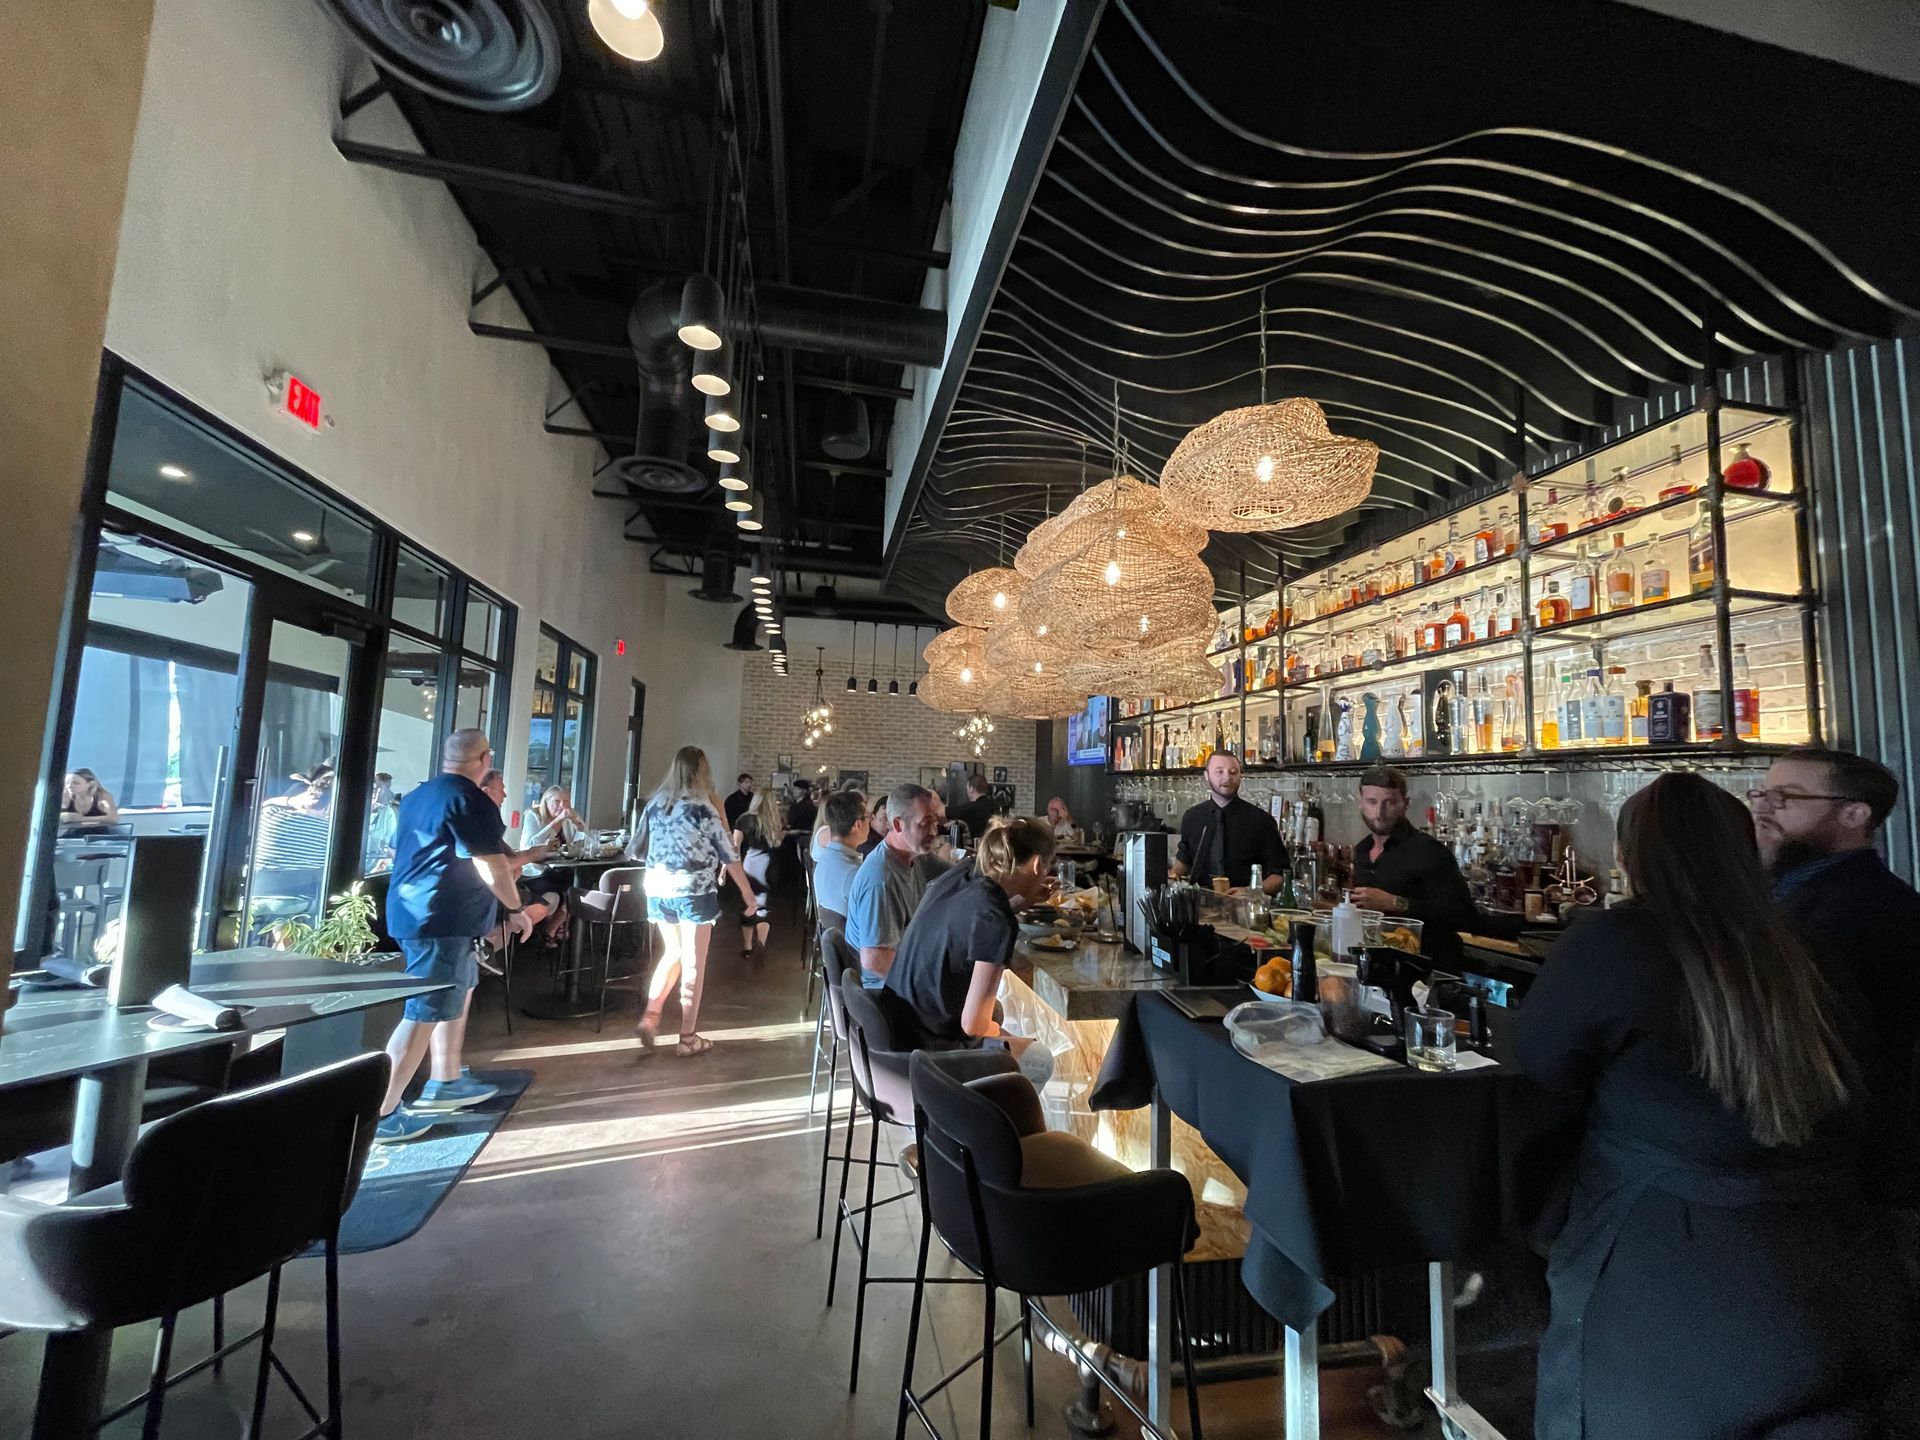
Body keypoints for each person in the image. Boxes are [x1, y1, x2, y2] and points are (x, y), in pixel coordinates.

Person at [1513, 772, 1912, 1440]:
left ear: (1631, 857)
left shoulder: (1613, 944)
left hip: (1663, 1287)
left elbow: (1544, 1065)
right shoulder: (1807, 949)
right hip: (1840, 1271)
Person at [1754, 745, 1920, 1204]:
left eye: (1785, 797)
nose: (1764, 808)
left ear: (1854, 814)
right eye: (1762, 794)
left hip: (1835, 1166)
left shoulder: (1864, 908)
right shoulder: (1795, 888)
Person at [375, 729, 530, 1143]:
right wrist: (515, 910)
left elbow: (403, 850)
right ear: (483, 759)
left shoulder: (417, 797)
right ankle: (382, 1113)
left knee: (455, 995)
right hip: (441, 921)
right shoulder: (471, 800)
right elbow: (491, 865)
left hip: (416, 913)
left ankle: (445, 1079)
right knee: (423, 1013)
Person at [886, 815, 1056, 1079]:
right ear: (1036, 864)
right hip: (926, 1048)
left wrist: (1024, 901)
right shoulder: (997, 919)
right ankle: (983, 1117)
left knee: (997, 1013)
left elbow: (973, 919)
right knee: (1038, 1058)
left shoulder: (963, 873)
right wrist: (1006, 1036)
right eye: (1048, 866)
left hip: (898, 1021)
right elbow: (973, 1025)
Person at [629, 745, 757, 1058]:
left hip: (658, 889)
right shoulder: (704, 807)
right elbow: (729, 853)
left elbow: (635, 849)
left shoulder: (656, 803)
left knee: (672, 952)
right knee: (693, 964)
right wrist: (747, 893)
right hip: (694, 892)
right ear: (702, 770)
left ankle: (651, 1015)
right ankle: (687, 1038)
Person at [1347, 764, 1478, 966]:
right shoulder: (1361, 851)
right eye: (1371, 802)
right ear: (1360, 802)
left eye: (1389, 802)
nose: (1379, 812)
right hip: (1377, 966)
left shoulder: (1427, 851)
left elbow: (1463, 914)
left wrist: (1395, 902)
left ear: (1405, 803)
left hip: (1425, 970)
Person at [845, 782, 945, 989]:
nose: (934, 831)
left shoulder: (914, 857)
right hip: (883, 991)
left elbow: (957, 874)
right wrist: (928, 988)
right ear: (898, 825)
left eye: (935, 822)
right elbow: (874, 959)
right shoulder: (880, 880)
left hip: (902, 972)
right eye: (925, 823)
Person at [1170, 752, 1288, 896]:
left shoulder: (1261, 821)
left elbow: (1281, 875)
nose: (1227, 778)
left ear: (1240, 776)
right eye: (1219, 772)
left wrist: (1251, 892)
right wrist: (1174, 874)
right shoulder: (1192, 817)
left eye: (1233, 772)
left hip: (1245, 909)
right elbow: (1184, 859)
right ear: (1206, 776)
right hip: (1201, 907)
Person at [475, 768, 559, 962]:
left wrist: (520, 860)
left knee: (542, 905)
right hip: (485, 890)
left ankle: (485, 949)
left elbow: (506, 855)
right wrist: (530, 855)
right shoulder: (482, 820)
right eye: (501, 789)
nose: (505, 794)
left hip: (495, 886)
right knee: (538, 908)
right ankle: (482, 946)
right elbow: (500, 863)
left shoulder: (487, 818)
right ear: (486, 791)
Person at [732, 788, 781, 962]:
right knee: (763, 907)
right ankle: (761, 941)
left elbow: (735, 846)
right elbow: (778, 842)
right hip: (770, 866)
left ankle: (747, 947)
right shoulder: (774, 820)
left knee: (748, 905)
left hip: (751, 863)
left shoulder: (744, 819)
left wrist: (727, 868)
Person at [812, 788, 869, 935]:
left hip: (837, 948)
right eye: (868, 817)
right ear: (858, 825)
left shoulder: (824, 861)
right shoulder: (853, 873)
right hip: (855, 952)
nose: (871, 821)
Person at [524, 784, 585, 849]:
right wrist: (557, 820)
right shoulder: (533, 815)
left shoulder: (569, 817)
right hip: (538, 859)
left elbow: (586, 844)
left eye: (566, 801)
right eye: (557, 801)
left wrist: (578, 824)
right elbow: (528, 847)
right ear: (546, 802)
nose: (562, 805)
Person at [949, 773, 996, 842]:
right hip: (995, 844)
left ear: (972, 789)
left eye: (967, 788)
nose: (967, 791)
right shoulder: (994, 804)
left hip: (981, 847)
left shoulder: (972, 807)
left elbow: (946, 812)